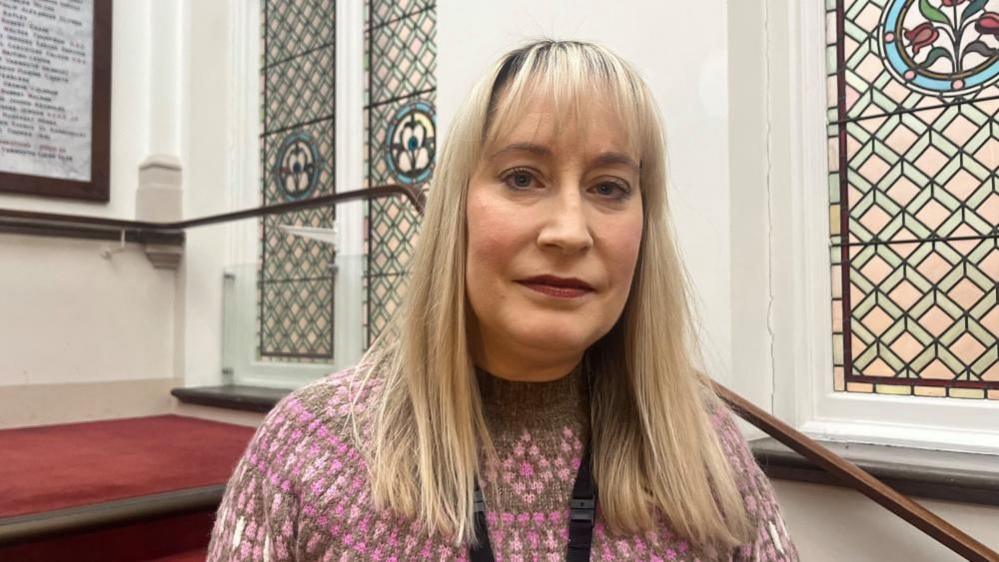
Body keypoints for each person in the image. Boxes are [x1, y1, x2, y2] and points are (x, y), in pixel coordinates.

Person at [207, 39, 798, 561]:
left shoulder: (706, 454)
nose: (569, 231)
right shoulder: (312, 447)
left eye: (609, 187)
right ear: (455, 210)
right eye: (522, 177)